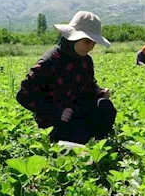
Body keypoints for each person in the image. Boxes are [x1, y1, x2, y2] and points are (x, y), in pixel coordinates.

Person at [16, 11, 117, 145]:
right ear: (72, 37)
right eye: (87, 41)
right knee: (77, 135)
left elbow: (88, 86)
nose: (90, 47)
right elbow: (24, 95)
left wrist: (99, 93)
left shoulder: (86, 61)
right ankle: (81, 144)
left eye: (93, 43)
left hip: (77, 112)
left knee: (105, 107)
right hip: (55, 120)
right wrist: (56, 112)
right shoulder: (49, 62)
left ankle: (97, 144)